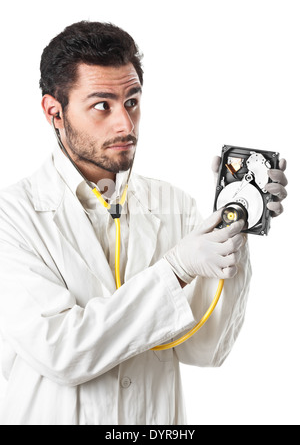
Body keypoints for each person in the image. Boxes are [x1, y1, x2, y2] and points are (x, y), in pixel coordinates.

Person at [0, 21, 287, 425]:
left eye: (131, 101)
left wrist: (238, 222)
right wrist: (174, 271)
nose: (125, 125)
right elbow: (63, 350)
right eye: (103, 105)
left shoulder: (174, 205)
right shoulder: (12, 215)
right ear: (54, 112)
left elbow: (207, 348)